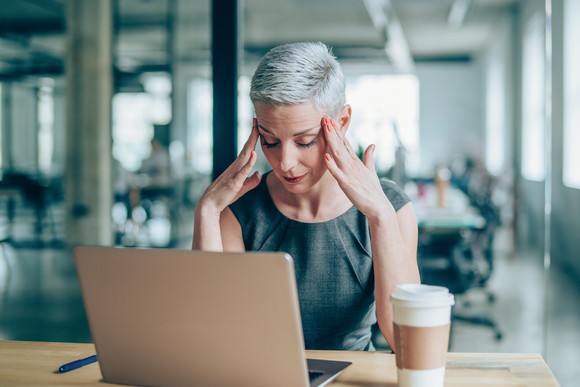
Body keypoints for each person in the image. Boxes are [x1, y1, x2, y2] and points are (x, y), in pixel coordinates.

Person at [193, 42, 419, 352]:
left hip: (353, 376)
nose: (285, 162)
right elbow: (212, 338)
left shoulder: (391, 207)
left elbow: (407, 342)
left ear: (340, 124)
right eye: (270, 142)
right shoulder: (240, 212)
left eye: (305, 141)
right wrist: (207, 211)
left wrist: (380, 217)